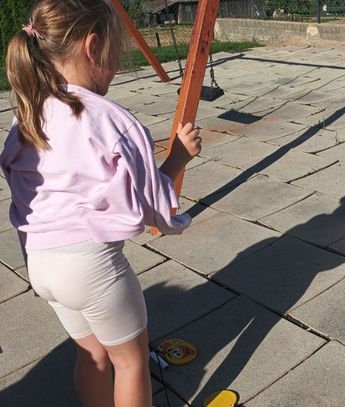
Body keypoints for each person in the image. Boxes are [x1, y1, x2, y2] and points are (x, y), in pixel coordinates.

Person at [0, 1, 201, 406]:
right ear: (93, 47)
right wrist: (178, 159)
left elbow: (15, 177)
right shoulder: (111, 120)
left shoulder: (27, 114)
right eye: (116, 53)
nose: (117, 64)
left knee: (91, 355)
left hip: (41, 263)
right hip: (91, 268)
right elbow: (153, 202)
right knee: (130, 362)